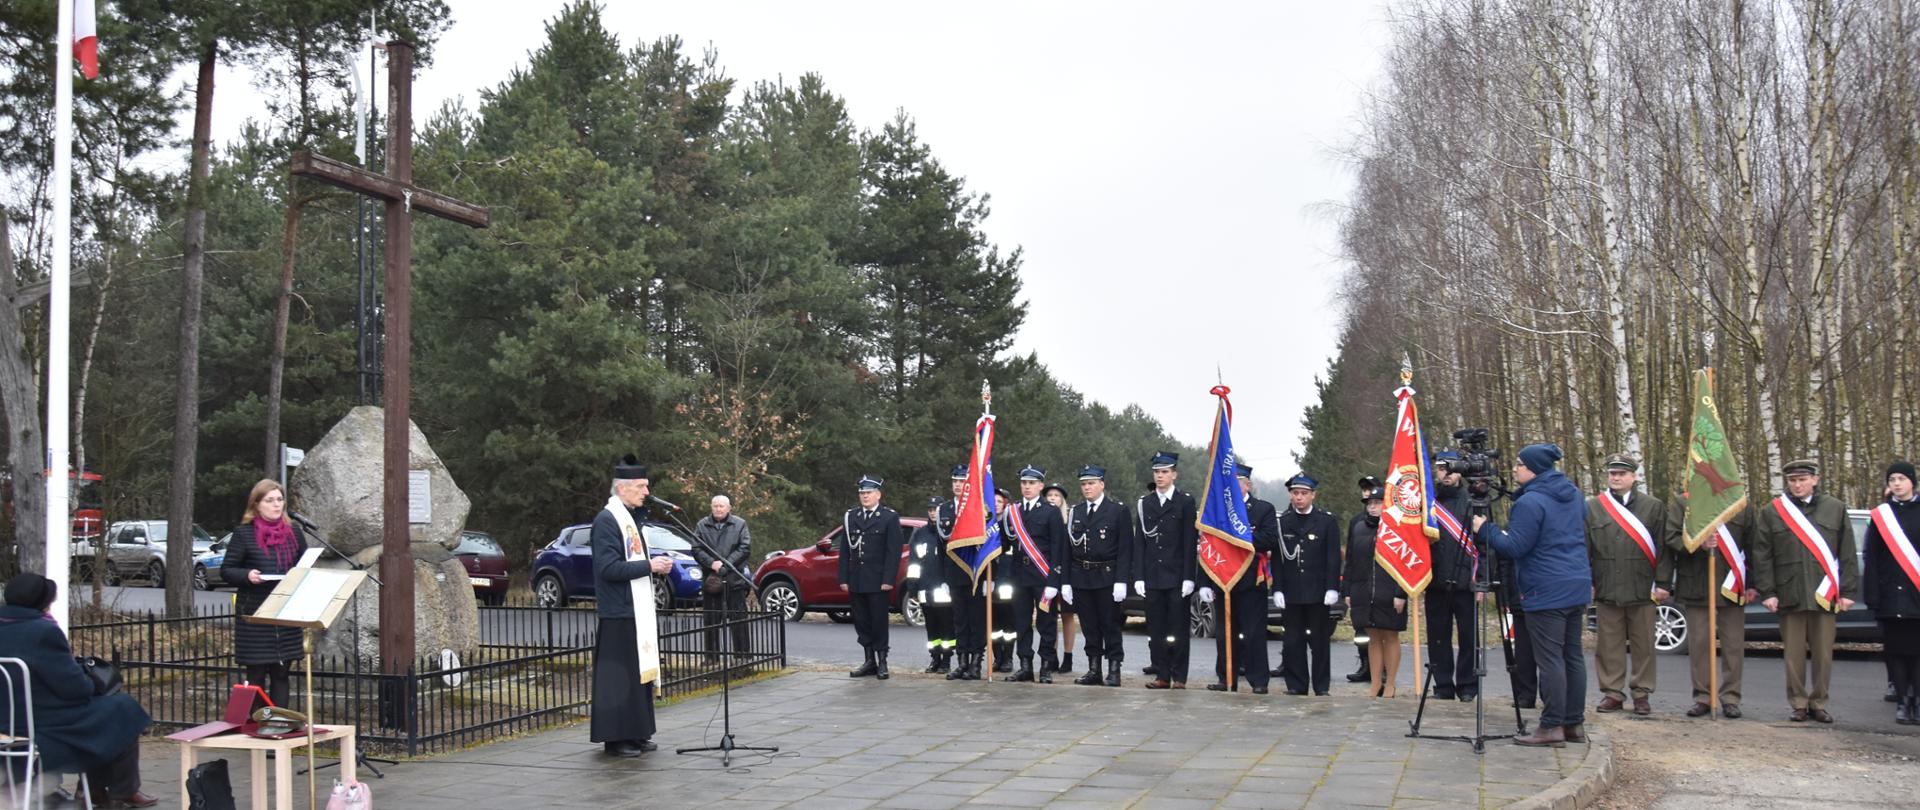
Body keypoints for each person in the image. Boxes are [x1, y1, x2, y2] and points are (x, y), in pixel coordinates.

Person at [0, 574, 156, 808]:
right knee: (122, 708)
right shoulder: (42, 631)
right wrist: (89, 679)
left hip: (7, 718)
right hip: (42, 721)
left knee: (105, 712)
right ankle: (118, 790)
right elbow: (74, 689)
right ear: (42, 602)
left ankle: (93, 792)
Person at [1474, 443, 1591, 748]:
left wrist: (1486, 530)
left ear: (1534, 469)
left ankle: (1551, 726)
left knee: (1550, 658)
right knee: (1572, 656)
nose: (1515, 469)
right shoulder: (1574, 494)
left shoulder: (1531, 502)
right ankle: (1573, 724)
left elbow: (1515, 547)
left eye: (1520, 464)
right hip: (1575, 583)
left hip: (1545, 587)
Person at [1751, 459, 1858, 724]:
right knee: (1793, 654)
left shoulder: (1835, 508)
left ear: (1815, 480)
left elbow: (1846, 552)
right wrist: (1768, 592)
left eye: (1802, 480)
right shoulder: (1773, 511)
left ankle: (1819, 702)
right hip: (1790, 592)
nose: (1797, 485)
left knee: (1823, 654)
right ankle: (1798, 702)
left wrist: (1847, 591)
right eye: (1792, 480)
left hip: (1825, 593)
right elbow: (1762, 555)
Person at [590, 455, 674, 756]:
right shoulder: (607, 521)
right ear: (622, 488)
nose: (646, 492)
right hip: (618, 612)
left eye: (647, 486)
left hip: (635, 610)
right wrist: (650, 566)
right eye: (641, 486)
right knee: (619, 678)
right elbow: (608, 568)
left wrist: (652, 565)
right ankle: (616, 738)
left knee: (638, 675)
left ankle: (637, 732)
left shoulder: (630, 519)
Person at [1585, 453, 1671, 717]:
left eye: (1622, 474)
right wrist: (1588, 582)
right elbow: (1586, 547)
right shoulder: (1594, 507)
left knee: (1644, 644)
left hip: (1642, 587)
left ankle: (1642, 693)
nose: (1616, 478)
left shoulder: (1653, 506)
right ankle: (1612, 693)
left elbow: (1663, 548)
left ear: (1633, 477)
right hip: (1607, 585)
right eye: (1612, 473)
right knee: (1608, 645)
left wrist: (1663, 583)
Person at [1664, 491, 1755, 718]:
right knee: (1700, 645)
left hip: (1732, 583)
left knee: (1733, 646)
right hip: (1697, 582)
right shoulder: (1684, 502)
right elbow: (1672, 537)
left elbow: (1754, 545)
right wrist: (1697, 543)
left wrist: (1755, 584)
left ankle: (1731, 698)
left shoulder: (1739, 502)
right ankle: (1703, 697)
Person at [220, 478, 310, 707]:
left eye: (280, 499)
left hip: (285, 613)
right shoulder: (244, 534)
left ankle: (279, 724)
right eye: (270, 500)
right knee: (257, 674)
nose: (276, 505)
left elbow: (304, 565)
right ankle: (254, 726)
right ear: (256, 504)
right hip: (256, 614)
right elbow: (227, 570)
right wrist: (248, 575)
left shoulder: (294, 533)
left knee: (281, 673)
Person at [1207, 463, 1279, 693]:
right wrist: (1204, 582)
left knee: (1253, 633)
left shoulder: (1263, 509)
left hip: (1250, 581)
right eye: (1229, 482)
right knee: (1224, 632)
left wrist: (1240, 534)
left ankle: (1258, 680)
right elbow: (1207, 545)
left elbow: (1268, 539)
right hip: (1224, 581)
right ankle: (1226, 677)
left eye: (1238, 481)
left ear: (1248, 484)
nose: (1233, 486)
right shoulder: (1218, 511)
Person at [1063, 465, 1135, 687]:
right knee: (1089, 625)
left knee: (1110, 624)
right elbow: (1068, 550)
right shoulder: (1076, 512)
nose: (1087, 488)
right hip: (1081, 576)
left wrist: (1122, 580)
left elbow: (1125, 549)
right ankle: (1094, 669)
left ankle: (1114, 669)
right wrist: (1066, 581)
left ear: (1102, 484)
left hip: (1107, 576)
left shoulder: (1117, 511)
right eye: (1084, 484)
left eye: (1091, 483)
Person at [1275, 474, 1342, 696]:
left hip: (1318, 591)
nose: (1299, 498)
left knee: (1320, 641)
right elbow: (1278, 559)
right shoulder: (1283, 522)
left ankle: (1321, 686)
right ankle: (1296, 684)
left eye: (1304, 493)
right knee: (1293, 641)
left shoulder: (1326, 522)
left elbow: (1333, 557)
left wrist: (1332, 587)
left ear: (1313, 495)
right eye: (1295, 493)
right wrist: (1277, 588)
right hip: (1292, 591)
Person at [1136, 452, 1199, 689]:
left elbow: (1188, 542)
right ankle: (1162, 674)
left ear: (1174, 474)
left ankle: (1179, 676)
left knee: (1178, 629)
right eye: (1157, 472)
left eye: (1164, 472)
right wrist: (1139, 575)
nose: (1160, 476)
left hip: (1176, 576)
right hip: (1153, 575)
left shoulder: (1185, 502)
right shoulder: (1145, 503)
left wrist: (1188, 577)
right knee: (1157, 628)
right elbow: (1140, 541)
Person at [1862, 461, 1918, 724]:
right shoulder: (1881, 515)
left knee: (1917, 652)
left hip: (1916, 594)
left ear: (1912, 482)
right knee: (1895, 651)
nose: (1896, 483)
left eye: (1901, 479)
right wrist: (1872, 595)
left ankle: (1917, 699)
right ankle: (1902, 703)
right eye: (1892, 479)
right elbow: (1872, 558)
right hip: (1890, 595)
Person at [1005, 466, 1067, 683]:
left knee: (1046, 623)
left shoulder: (1050, 512)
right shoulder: (1013, 511)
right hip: (1019, 575)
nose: (1027, 487)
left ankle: (1046, 667)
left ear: (1041, 486)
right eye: (1024, 483)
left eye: (1032, 483)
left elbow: (1059, 548)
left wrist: (1054, 580)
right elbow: (1005, 543)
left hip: (1042, 577)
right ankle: (1025, 666)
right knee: (1021, 623)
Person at [842, 475, 906, 680]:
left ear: (878, 494)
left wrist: (888, 579)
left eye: (868, 493)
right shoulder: (851, 516)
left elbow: (893, 552)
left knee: (878, 621)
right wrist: (843, 578)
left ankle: (882, 661)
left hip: (878, 580)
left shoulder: (888, 517)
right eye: (862, 493)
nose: (864, 496)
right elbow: (845, 550)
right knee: (861, 622)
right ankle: (869, 660)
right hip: (857, 579)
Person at [1426, 455, 1480, 700]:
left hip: (1466, 581)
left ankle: (1467, 685)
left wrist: (1482, 580)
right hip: (1436, 580)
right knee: (1437, 636)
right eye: (1441, 468)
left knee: (1468, 637)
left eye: (1450, 468)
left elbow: (1485, 545)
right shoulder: (1428, 502)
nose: (1445, 473)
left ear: (1460, 471)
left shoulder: (1473, 501)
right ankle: (1443, 685)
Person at [1344, 487, 1407, 697]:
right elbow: (1351, 561)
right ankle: (1375, 683)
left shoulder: (1397, 529)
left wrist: (1401, 593)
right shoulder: (1359, 527)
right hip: (1363, 591)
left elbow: (1404, 563)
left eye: (1377, 503)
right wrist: (1348, 590)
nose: (1372, 507)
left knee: (1390, 635)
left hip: (1389, 591)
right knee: (1372, 637)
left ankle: (1390, 683)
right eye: (1369, 503)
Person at [692, 495, 753, 660]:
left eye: (721, 506)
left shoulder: (740, 524)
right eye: (715, 506)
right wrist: (712, 563)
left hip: (734, 579)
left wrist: (725, 564)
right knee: (711, 620)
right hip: (711, 580)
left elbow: (745, 547)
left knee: (738, 619)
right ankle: (711, 657)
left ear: (729, 508)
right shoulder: (702, 525)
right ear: (711, 507)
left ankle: (742, 655)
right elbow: (696, 548)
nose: (718, 509)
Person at [942, 465, 987, 681]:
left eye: (962, 481)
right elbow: (944, 537)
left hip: (976, 572)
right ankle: (961, 662)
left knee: (977, 619)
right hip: (954, 570)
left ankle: (977, 662)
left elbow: (989, 544)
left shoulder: (980, 507)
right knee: (959, 619)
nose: (958, 485)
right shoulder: (944, 509)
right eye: (955, 481)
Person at [910, 497, 956, 673]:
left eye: (935, 509)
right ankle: (934, 658)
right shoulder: (920, 534)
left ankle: (946, 660)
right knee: (931, 626)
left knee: (946, 625)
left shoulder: (947, 532)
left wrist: (950, 583)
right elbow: (914, 562)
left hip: (943, 588)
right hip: (924, 587)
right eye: (930, 509)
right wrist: (913, 586)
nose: (932, 512)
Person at [1347, 474, 1382, 685]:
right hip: (1360, 583)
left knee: (1381, 628)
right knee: (1361, 631)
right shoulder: (1356, 522)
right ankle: (1364, 664)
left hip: (1381, 583)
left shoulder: (1389, 521)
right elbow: (1350, 557)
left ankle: (1382, 669)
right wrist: (1347, 588)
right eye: (1364, 490)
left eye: (1371, 489)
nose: (1367, 493)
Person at [1044, 482, 1078, 674]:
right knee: (1049, 617)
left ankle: (1068, 656)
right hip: (1046, 573)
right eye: (1049, 495)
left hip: (1066, 573)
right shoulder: (1042, 518)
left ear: (1062, 500)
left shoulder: (1069, 520)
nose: (1052, 499)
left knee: (1066, 615)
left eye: (1057, 495)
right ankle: (1052, 656)